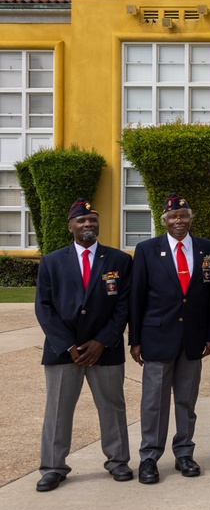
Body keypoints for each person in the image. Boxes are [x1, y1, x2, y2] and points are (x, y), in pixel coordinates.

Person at [34, 199, 132, 492]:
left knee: (113, 407)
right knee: (57, 410)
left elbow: (124, 306)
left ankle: (118, 461)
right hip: (64, 351)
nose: (87, 224)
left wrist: (102, 341)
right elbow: (44, 307)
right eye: (81, 221)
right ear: (70, 227)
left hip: (105, 348)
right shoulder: (51, 261)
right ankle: (53, 467)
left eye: (92, 220)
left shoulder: (119, 260)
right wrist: (68, 345)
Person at [130, 194, 210, 485]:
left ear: (191, 218)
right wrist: (135, 339)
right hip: (157, 336)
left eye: (183, 216)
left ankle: (184, 453)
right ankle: (149, 458)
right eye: (172, 217)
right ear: (163, 220)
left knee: (186, 400)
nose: (178, 221)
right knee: (154, 402)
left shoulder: (207, 249)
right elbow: (137, 297)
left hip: (193, 339)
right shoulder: (146, 250)